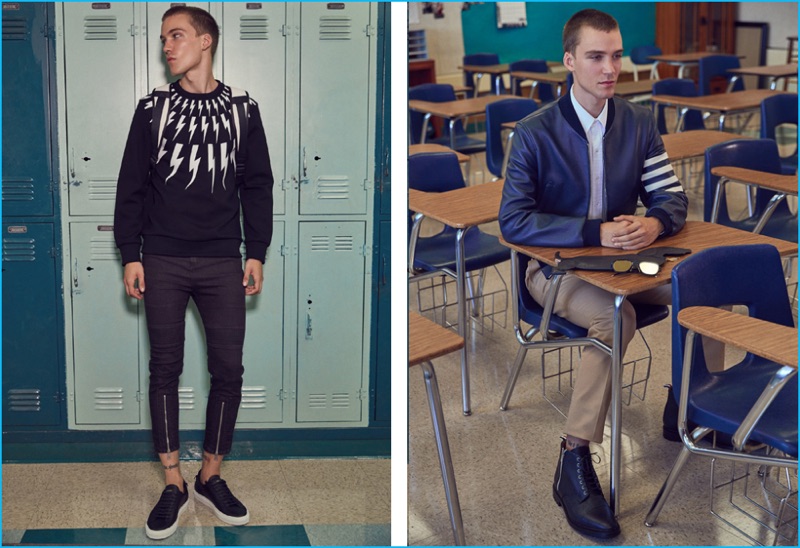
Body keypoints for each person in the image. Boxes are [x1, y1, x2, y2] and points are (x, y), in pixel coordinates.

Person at [498, 9, 687, 539]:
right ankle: (573, 460)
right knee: (615, 317)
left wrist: (653, 221)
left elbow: (672, 195)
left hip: (626, 262)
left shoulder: (638, 122)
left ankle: (687, 407)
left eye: (616, 55)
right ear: (569, 61)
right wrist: (591, 232)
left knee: (705, 290)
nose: (610, 68)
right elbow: (512, 220)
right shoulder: (534, 134)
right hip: (557, 272)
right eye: (596, 56)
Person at [113, 6, 274, 540]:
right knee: (166, 368)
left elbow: (258, 185)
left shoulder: (243, 110)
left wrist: (258, 251)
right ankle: (173, 483)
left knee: (229, 370)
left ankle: (210, 476)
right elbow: (130, 185)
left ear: (205, 41)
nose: (167, 45)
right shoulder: (152, 109)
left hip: (223, 258)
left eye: (176, 36)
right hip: (161, 257)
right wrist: (130, 253)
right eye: (163, 39)